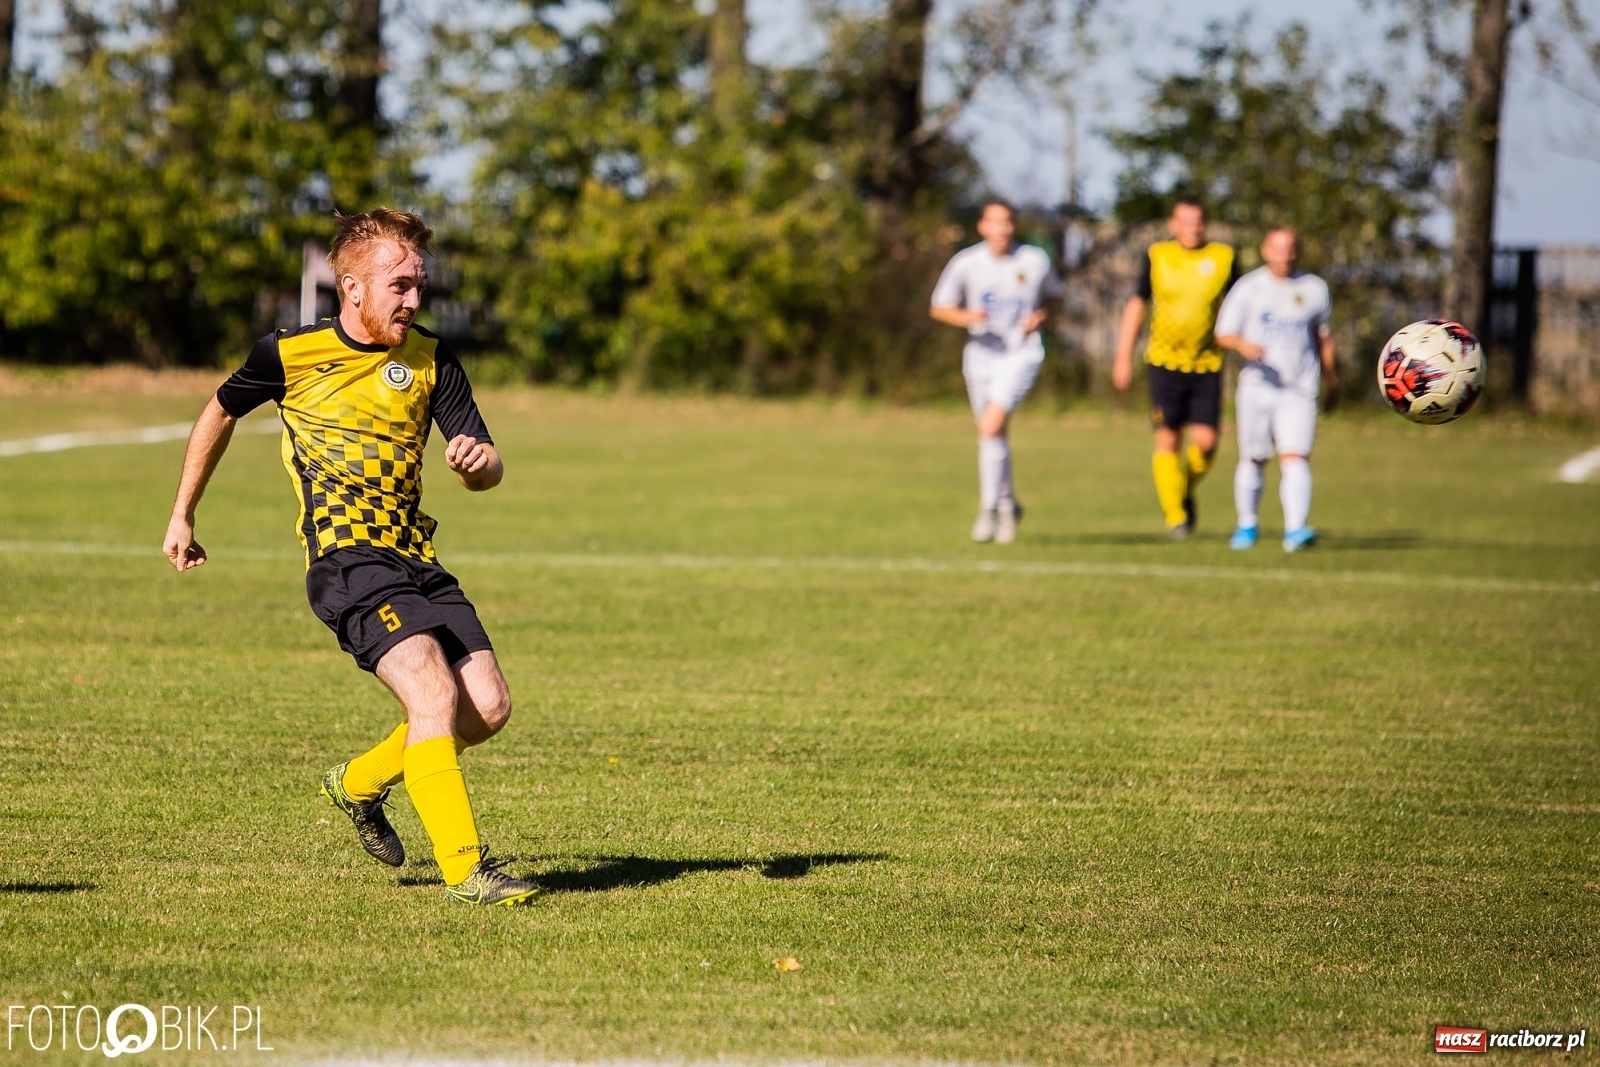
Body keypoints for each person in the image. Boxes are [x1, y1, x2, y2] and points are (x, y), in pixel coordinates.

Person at [162, 208, 539, 907]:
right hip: (346, 558)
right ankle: (466, 869)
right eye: (399, 285)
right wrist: (184, 510)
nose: (414, 300)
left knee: (486, 707)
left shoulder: (432, 357)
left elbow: (485, 465)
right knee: (432, 691)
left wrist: (479, 464)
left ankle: (358, 784)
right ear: (353, 287)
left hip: (416, 556)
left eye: (419, 285)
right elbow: (219, 409)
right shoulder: (288, 354)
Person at [929, 199, 1062, 543]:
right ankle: (1007, 505)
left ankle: (989, 509)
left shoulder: (1034, 260)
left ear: (1014, 226)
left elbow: (1054, 297)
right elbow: (939, 307)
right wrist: (967, 318)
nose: (1002, 229)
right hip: (981, 355)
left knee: (990, 427)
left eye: (1007, 222)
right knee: (993, 434)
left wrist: (1040, 316)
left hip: (1021, 353)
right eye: (995, 222)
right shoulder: (967, 262)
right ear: (982, 227)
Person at [1112, 196, 1237, 538]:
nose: (1191, 227)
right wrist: (1122, 356)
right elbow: (1137, 305)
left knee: (1207, 442)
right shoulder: (1158, 256)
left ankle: (1180, 491)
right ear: (1173, 223)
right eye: (1185, 220)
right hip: (1163, 361)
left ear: (1205, 223)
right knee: (1167, 438)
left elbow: (1242, 302)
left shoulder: (1223, 258)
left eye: (1198, 220)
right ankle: (1175, 517)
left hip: (1207, 363)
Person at [1214, 225, 1338, 552]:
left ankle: (1295, 530)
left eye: (1291, 248)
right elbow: (1223, 333)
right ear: (1265, 250)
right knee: (1254, 457)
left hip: (1299, 389)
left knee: (1295, 456)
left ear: (1298, 251)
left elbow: (1323, 338)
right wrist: (1244, 346)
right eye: (1278, 248)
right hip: (1258, 387)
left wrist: (1333, 380)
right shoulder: (1249, 287)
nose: (1285, 255)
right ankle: (1247, 525)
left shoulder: (1314, 288)